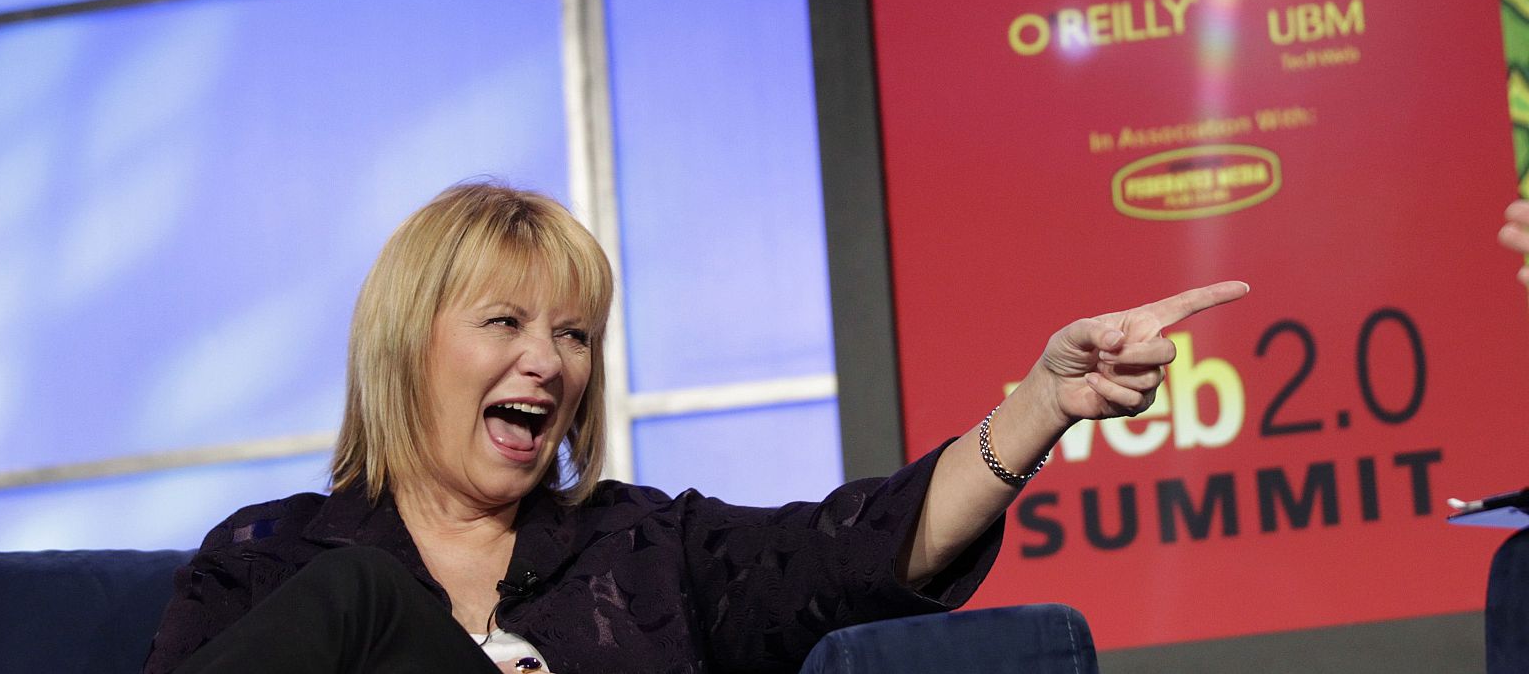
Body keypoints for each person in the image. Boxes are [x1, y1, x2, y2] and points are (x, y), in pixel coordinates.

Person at [144, 182, 1247, 674]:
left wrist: (1044, 402)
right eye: (506, 323)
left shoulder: (648, 550)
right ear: (406, 347)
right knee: (356, 597)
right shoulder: (274, 560)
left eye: (574, 336)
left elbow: (855, 550)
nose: (548, 362)